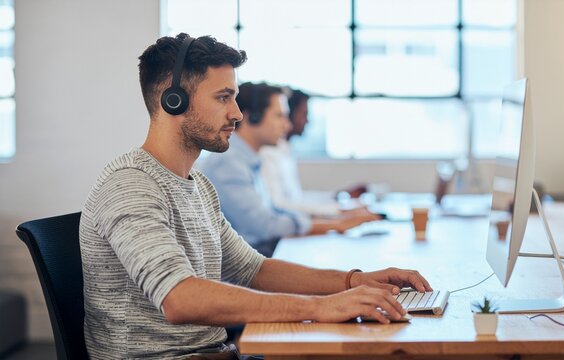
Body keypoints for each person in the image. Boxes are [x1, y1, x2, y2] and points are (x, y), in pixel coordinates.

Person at [79, 33, 432, 359]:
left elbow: (253, 268)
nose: (236, 113)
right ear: (174, 102)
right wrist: (319, 307)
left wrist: (354, 281)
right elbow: (179, 298)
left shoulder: (198, 186)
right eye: (223, 98)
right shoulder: (131, 184)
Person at [198, 82, 379, 257]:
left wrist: (334, 219)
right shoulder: (229, 163)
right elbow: (266, 225)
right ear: (252, 116)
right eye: (279, 116)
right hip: (249, 266)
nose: (287, 125)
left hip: (261, 255)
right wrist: (334, 224)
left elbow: (275, 210)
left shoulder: (249, 159)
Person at [259, 89, 368, 218]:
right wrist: (339, 211)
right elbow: (280, 205)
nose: (307, 121)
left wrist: (337, 197)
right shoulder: (267, 153)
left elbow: (297, 198)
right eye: (304, 114)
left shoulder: (283, 149)